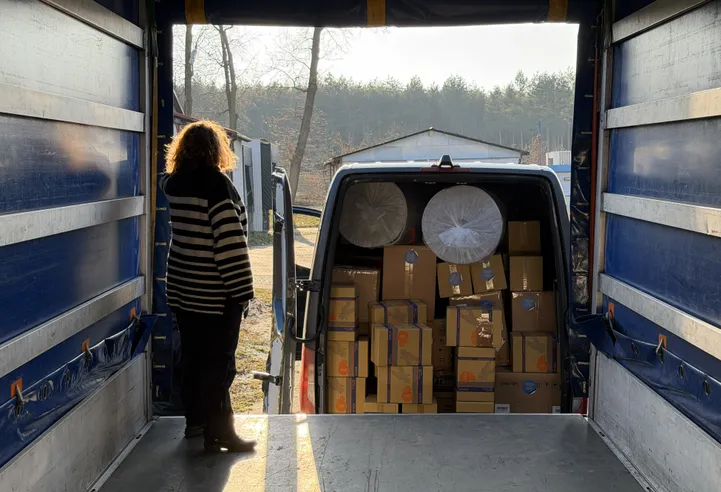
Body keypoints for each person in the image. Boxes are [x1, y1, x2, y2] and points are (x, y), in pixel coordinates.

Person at [160, 120, 256, 453]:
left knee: (193, 360)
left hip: (183, 290)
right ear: (216, 150)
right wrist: (243, 294)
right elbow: (230, 246)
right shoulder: (217, 187)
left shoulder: (174, 184)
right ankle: (220, 433)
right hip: (216, 295)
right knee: (219, 366)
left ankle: (196, 423)